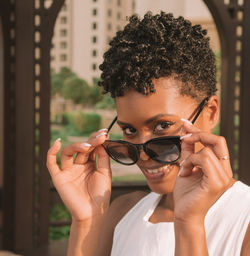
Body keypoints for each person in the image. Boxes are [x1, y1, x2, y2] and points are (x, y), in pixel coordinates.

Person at [47, 12, 250, 256]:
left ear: (211, 112)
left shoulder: (244, 221)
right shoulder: (122, 213)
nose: (143, 155)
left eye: (163, 126)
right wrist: (86, 220)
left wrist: (189, 224)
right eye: (130, 130)